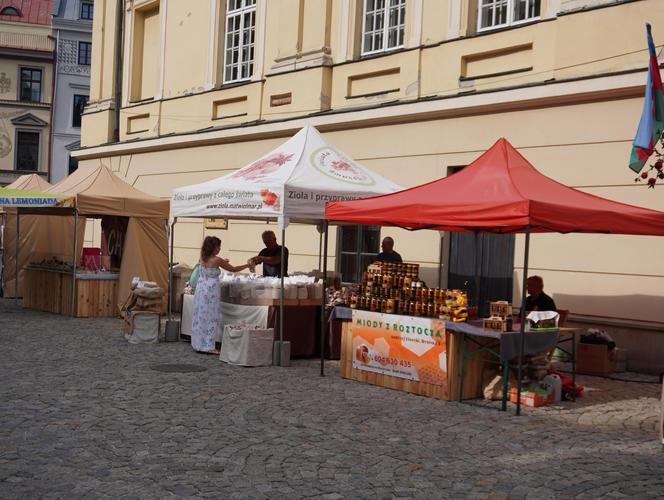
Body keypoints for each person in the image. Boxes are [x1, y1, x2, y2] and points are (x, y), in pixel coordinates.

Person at [191, 236, 252, 354]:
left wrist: (222, 262)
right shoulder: (216, 260)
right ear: (214, 248)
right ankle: (208, 345)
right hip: (211, 290)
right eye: (218, 246)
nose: (219, 249)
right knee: (211, 316)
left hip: (201, 288)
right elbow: (233, 269)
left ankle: (198, 343)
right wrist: (247, 265)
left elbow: (211, 265)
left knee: (200, 316)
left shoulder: (203, 257)